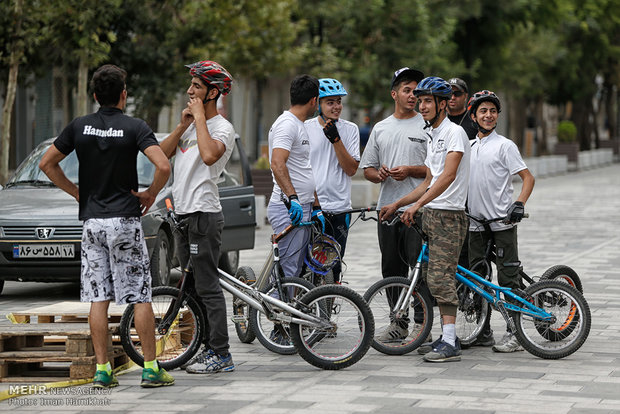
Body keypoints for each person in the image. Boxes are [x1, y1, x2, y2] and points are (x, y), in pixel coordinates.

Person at [38, 64, 174, 387]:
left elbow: (46, 163)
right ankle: (151, 369)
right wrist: (150, 194)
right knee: (139, 295)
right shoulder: (135, 127)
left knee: (98, 297)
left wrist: (76, 192)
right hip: (125, 220)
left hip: (93, 223)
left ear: (95, 96)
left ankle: (103, 371)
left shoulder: (79, 127)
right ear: (123, 95)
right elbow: (164, 164)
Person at [380, 76, 470, 363]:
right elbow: (427, 182)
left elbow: (448, 176)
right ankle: (442, 337)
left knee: (440, 279)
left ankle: (450, 342)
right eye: (420, 101)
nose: (422, 106)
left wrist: (418, 204)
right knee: (432, 277)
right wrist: (398, 203)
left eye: (428, 101)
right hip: (432, 213)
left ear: (443, 104)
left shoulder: (454, 133)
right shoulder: (432, 136)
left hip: (449, 215)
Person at [158, 60, 236, 374]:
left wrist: (201, 119)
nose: (190, 91)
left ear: (213, 92)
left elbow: (209, 155)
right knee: (190, 287)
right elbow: (161, 154)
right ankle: (204, 347)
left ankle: (222, 354)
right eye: (190, 85)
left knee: (208, 286)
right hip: (183, 214)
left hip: (204, 214)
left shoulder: (222, 129)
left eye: (197, 86)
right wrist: (182, 125)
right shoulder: (192, 125)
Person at [359, 67, 430, 342]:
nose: (413, 96)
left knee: (418, 268)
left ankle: (421, 324)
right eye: (407, 90)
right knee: (391, 268)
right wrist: (381, 174)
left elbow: (437, 170)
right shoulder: (381, 128)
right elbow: (368, 169)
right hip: (388, 209)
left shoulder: (426, 126)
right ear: (394, 94)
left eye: (416, 91)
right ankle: (397, 321)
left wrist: (410, 170)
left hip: (418, 209)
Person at [466, 90, 535, 353]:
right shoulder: (469, 147)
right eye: (483, 111)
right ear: (473, 116)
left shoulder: (505, 145)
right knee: (478, 279)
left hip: (502, 222)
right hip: (475, 223)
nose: (488, 115)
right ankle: (482, 331)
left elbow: (528, 178)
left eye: (492, 111)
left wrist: (519, 203)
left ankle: (515, 333)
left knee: (508, 278)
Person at [268, 74, 324, 282]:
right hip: (288, 208)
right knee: (288, 271)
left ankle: (286, 308)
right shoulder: (287, 125)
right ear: (313, 100)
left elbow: (304, 169)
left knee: (294, 268)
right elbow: (277, 163)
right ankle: (278, 312)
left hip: (302, 206)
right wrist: (293, 198)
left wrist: (315, 206)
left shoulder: (299, 124)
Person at [305, 78, 360, 283]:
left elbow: (351, 169)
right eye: (330, 102)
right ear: (318, 103)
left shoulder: (350, 129)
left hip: (339, 208)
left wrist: (336, 139)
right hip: (312, 207)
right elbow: (302, 170)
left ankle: (328, 310)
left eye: (338, 101)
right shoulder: (306, 128)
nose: (336, 107)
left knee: (334, 266)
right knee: (308, 265)